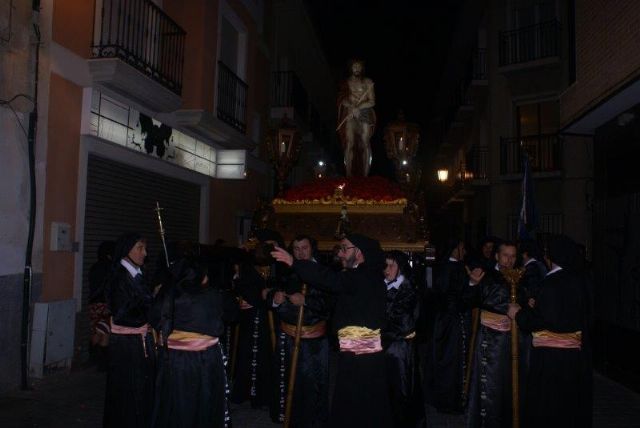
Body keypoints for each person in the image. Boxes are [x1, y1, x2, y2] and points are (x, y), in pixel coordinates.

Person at [272, 233, 393, 427]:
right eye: (340, 249)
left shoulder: (361, 276)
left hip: (362, 353)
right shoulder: (363, 274)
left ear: (359, 253)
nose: (341, 254)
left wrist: (294, 262)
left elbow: (327, 279)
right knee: (358, 401)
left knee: (360, 401)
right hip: (356, 351)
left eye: (345, 249)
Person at [508, 235, 592, 428]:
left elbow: (541, 321)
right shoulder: (581, 280)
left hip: (551, 358)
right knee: (571, 405)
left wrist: (519, 314)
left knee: (549, 405)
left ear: (551, 257)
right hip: (576, 358)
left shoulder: (551, 282)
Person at [151, 253, 239, 428]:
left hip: (174, 360)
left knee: (176, 404)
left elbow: (154, 318)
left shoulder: (169, 295)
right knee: (204, 403)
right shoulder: (213, 296)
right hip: (203, 361)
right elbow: (233, 315)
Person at [270, 235, 331, 426]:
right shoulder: (286, 270)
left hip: (313, 342)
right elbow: (274, 293)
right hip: (287, 337)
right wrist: (275, 299)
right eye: (296, 249)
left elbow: (330, 304)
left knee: (312, 384)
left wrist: (307, 301)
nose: (300, 252)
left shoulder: (324, 272)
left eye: (304, 248)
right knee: (288, 382)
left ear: (312, 248)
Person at [466, 240, 525, 428]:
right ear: (497, 256)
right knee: (492, 386)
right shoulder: (487, 275)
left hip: (514, 340)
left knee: (510, 386)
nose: (509, 260)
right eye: (505, 255)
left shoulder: (518, 276)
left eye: (513, 256)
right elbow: (484, 299)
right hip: (492, 341)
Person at [103, 232, 155, 428]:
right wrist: (148, 308)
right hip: (126, 345)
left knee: (139, 391)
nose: (145, 253)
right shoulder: (119, 277)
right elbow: (121, 312)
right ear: (127, 250)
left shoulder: (137, 275)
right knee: (127, 392)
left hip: (137, 343)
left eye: (145, 248)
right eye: (140, 248)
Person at [230, 229, 283, 408]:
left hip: (273, 321)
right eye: (266, 245)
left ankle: (266, 394)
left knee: (270, 354)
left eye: (273, 245)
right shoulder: (248, 264)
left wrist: (268, 296)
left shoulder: (283, 265)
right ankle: (246, 392)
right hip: (251, 318)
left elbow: (280, 291)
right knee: (248, 354)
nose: (269, 249)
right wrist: (260, 297)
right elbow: (245, 289)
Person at [383, 250, 425, 427]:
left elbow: (404, 322)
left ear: (401, 268)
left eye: (392, 265)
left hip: (400, 348)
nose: (387, 269)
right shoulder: (381, 286)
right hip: (384, 346)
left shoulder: (409, 289)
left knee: (402, 389)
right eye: (385, 265)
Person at [430, 239, 472, 414]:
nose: (465, 251)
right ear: (455, 250)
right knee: (452, 360)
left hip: (444, 320)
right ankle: (450, 400)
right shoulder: (455, 268)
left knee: (445, 358)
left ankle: (444, 397)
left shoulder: (445, 267)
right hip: (453, 321)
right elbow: (456, 295)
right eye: (462, 248)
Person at [337, 59, 376, 177]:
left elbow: (372, 101)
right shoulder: (346, 83)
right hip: (350, 114)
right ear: (351, 68)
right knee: (349, 143)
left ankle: (365, 175)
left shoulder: (368, 82)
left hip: (364, 113)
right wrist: (351, 106)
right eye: (355, 66)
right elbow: (342, 99)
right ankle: (348, 174)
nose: (357, 69)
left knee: (365, 142)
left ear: (362, 69)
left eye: (359, 67)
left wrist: (359, 107)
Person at [88, 240, 115, 370]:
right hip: (105, 305)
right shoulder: (111, 268)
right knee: (104, 331)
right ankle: (100, 362)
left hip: (94, 304)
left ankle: (95, 360)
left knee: (99, 330)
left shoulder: (95, 267)